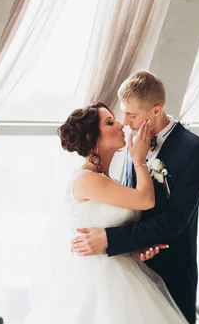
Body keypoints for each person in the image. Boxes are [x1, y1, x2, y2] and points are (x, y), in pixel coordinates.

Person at [23, 101, 188, 323]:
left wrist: (135, 249)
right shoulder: (86, 180)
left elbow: (110, 228)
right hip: (95, 282)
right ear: (92, 138)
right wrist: (139, 161)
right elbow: (146, 200)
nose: (121, 125)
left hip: (125, 275)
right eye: (110, 122)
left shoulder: (109, 181)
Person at [71, 71, 199, 323]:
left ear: (156, 111)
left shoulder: (196, 150)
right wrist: (133, 246)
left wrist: (112, 239)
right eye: (122, 113)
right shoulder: (132, 144)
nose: (124, 122)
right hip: (125, 271)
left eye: (132, 115)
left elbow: (176, 219)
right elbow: (131, 202)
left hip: (171, 269)